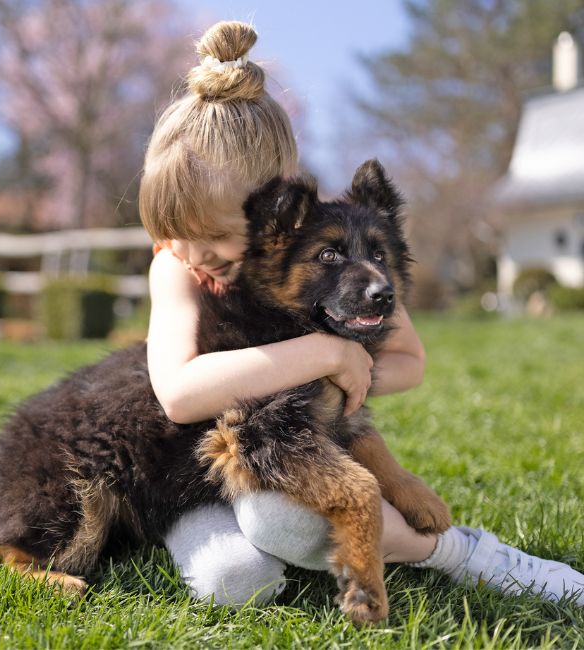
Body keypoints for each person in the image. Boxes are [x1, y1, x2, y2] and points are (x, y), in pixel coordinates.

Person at [138, 19, 584, 608]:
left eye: (216, 234)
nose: (194, 253)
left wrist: (352, 365)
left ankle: (461, 552)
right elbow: (177, 393)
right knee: (235, 581)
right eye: (173, 232)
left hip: (290, 460)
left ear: (277, 214)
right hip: (193, 472)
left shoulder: (330, 261)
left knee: (283, 524)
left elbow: (408, 362)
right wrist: (327, 354)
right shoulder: (179, 267)